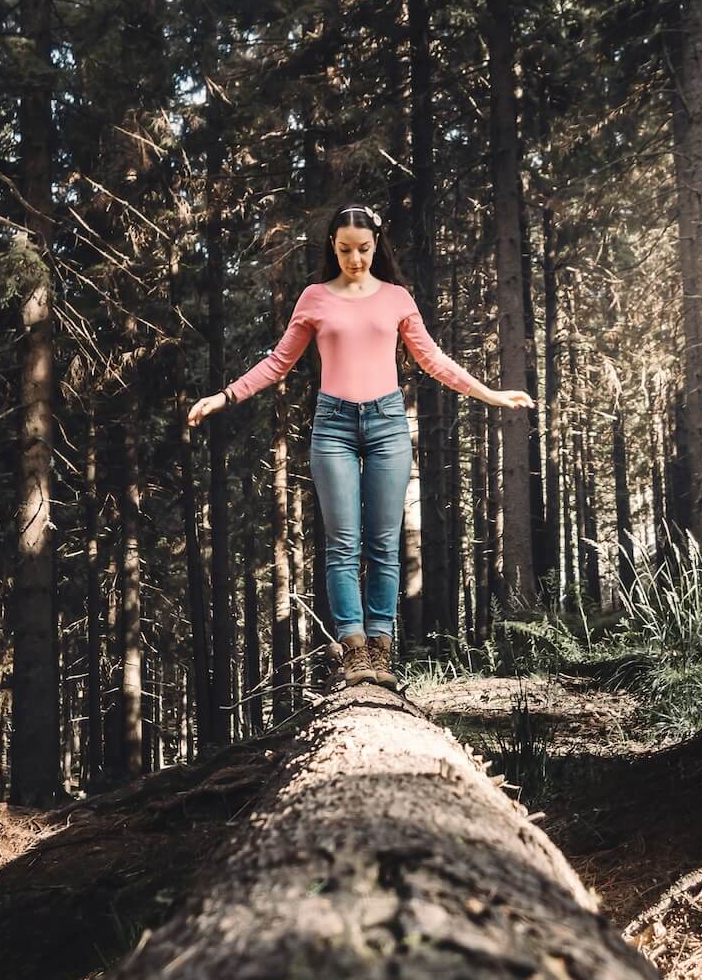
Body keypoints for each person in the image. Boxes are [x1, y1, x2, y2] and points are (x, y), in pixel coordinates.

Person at [187, 202, 534, 690]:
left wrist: (490, 393)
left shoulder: (395, 298)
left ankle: (381, 650)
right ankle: (353, 653)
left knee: (383, 543)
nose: (355, 259)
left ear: (377, 245)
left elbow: (433, 360)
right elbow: (277, 363)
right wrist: (225, 396)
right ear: (334, 245)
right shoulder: (314, 298)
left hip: (388, 423)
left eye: (365, 249)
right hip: (333, 426)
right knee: (343, 544)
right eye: (346, 250)